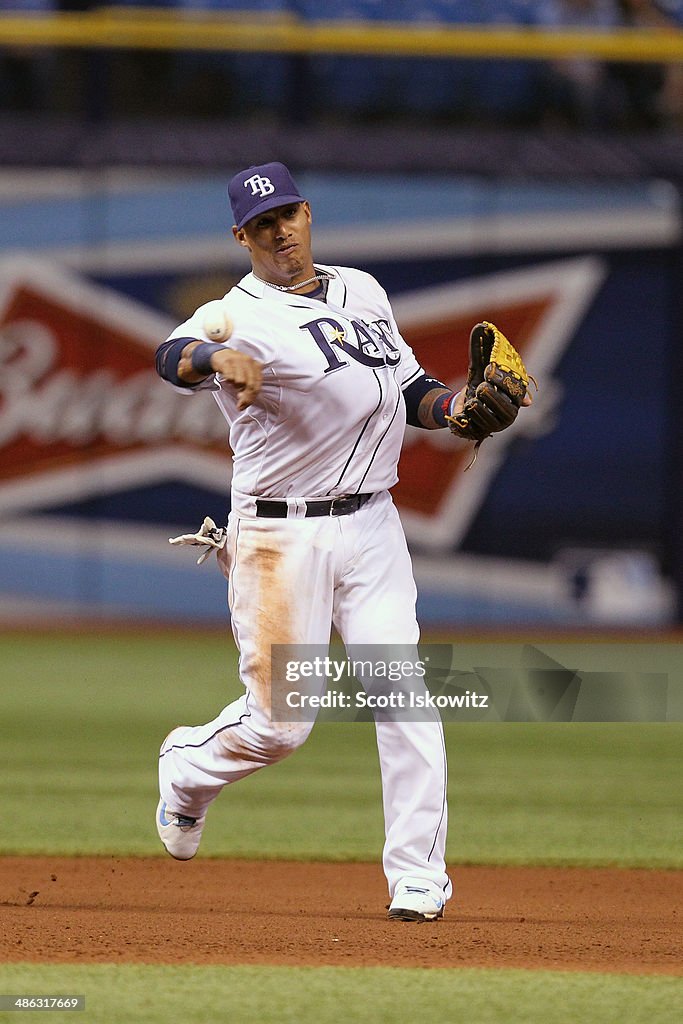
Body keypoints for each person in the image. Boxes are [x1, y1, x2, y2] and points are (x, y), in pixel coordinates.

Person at [154, 161, 527, 922]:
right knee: (280, 726)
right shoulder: (236, 313)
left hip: (372, 526)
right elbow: (172, 356)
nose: (279, 232)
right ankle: (187, 768)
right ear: (242, 237)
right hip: (278, 536)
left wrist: (457, 408)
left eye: (287, 215)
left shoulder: (363, 290)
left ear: (307, 213)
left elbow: (411, 391)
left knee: (404, 695)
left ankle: (417, 879)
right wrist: (217, 358)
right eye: (262, 225)